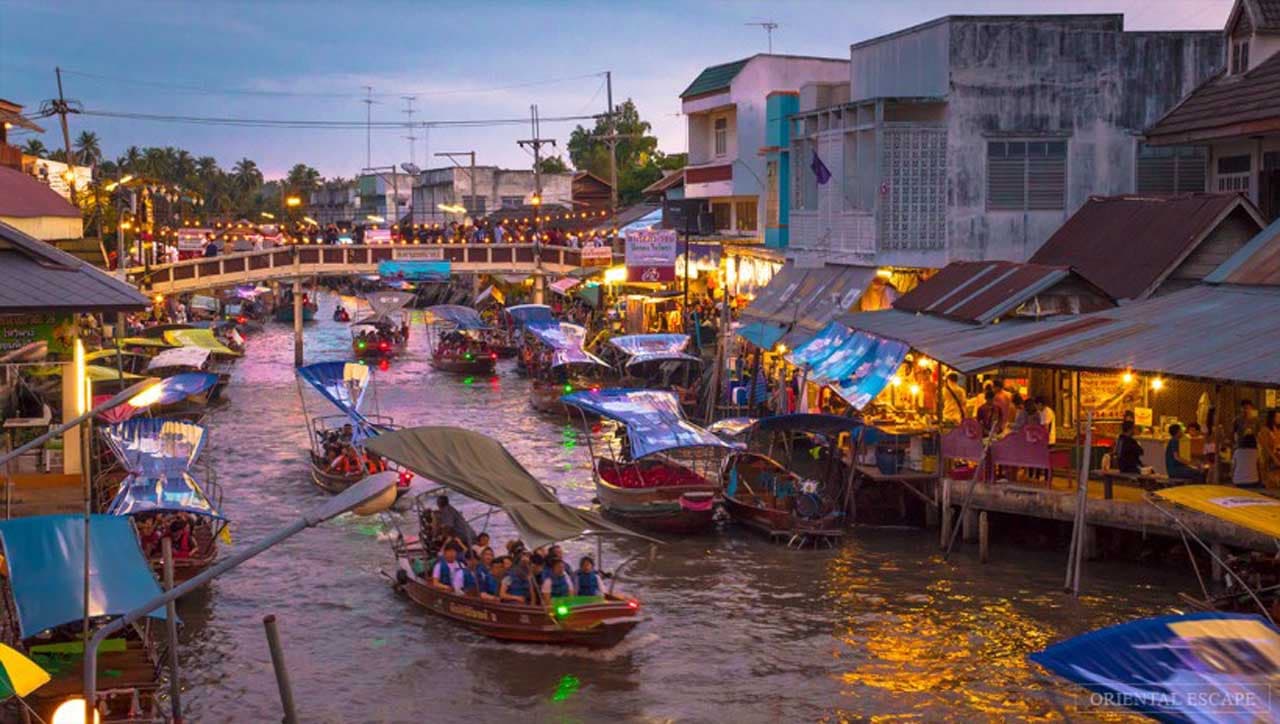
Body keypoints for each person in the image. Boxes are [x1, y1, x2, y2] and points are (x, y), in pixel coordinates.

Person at [1234, 400, 1261, 487]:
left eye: (1248, 408)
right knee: (1241, 465)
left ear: (1252, 409)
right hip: (1241, 446)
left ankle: (1255, 479)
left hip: (1253, 446)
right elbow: (1232, 433)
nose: (1246, 410)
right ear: (1241, 409)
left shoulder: (1256, 420)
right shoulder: (1237, 420)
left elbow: (1258, 433)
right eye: (1244, 408)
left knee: (1253, 464)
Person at [1259, 410, 1280, 489]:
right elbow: (1265, 446)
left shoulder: (1277, 430)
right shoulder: (1265, 430)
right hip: (1268, 459)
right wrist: (1274, 458)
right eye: (1277, 417)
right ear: (1272, 418)